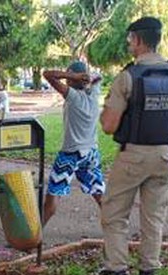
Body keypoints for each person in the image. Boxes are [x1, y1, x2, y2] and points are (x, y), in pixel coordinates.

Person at [98, 17, 168, 275]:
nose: (129, 45)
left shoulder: (127, 77)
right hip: (165, 157)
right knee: (154, 222)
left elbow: (108, 126)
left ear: (138, 40)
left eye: (130, 40)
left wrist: (108, 111)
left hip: (133, 156)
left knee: (114, 217)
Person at [41, 61, 105, 227]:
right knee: (99, 194)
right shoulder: (94, 93)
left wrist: (71, 75)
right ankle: (117, 231)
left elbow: (47, 75)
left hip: (71, 154)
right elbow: (98, 77)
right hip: (91, 153)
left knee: (53, 197)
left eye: (69, 76)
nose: (66, 80)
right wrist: (82, 77)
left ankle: (34, 236)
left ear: (74, 79)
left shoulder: (74, 97)